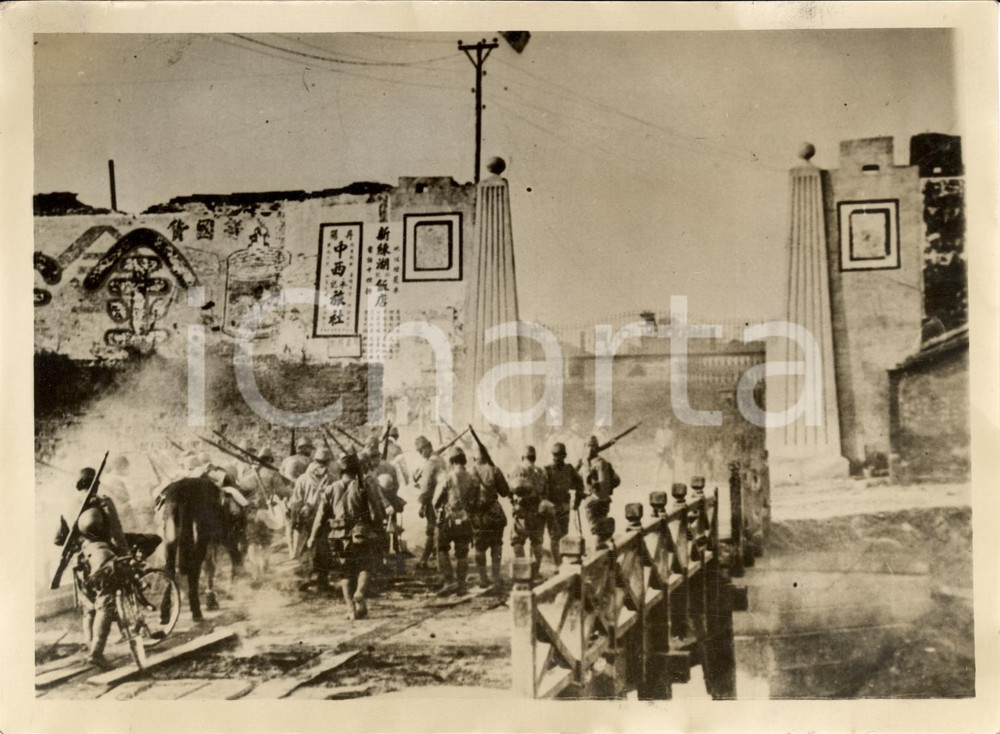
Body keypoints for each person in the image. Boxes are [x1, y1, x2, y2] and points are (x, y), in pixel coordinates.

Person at [310, 452, 385, 619]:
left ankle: (350, 609)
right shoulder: (363, 486)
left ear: (340, 471)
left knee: (344, 572)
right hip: (361, 533)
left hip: (338, 536)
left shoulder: (330, 489)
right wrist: (379, 528)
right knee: (365, 566)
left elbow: (320, 517)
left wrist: (312, 537)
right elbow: (376, 513)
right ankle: (359, 592)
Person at [432, 446, 478, 595]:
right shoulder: (472, 478)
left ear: (451, 461)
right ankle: (462, 585)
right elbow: (475, 502)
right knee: (462, 553)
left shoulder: (447, 477)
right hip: (465, 520)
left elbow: (436, 501)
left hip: (449, 519)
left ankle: (449, 581)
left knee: (442, 548)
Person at [289, 447, 336, 591]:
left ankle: (308, 577)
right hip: (324, 519)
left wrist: (294, 519)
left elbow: (296, 501)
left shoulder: (303, 478)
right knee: (323, 548)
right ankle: (322, 579)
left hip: (307, 518)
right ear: (328, 462)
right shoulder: (333, 478)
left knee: (306, 549)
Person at [469, 444, 510, 593]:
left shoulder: (469, 472)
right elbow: (505, 492)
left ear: (474, 457)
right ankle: (496, 577)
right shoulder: (495, 470)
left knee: (479, 546)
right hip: (494, 512)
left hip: (478, 514)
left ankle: (482, 578)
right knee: (496, 544)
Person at [543, 443, 583, 566]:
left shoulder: (569, 469)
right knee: (555, 536)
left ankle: (560, 563)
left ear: (564, 456)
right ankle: (558, 565)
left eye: (559, 455)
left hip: (564, 507)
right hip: (552, 508)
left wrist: (577, 502)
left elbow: (579, 485)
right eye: (554, 455)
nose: (556, 458)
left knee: (563, 535)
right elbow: (542, 489)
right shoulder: (547, 470)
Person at [577, 436, 621, 536]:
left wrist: (590, 500)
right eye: (587, 446)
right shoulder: (584, 463)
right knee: (598, 532)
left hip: (598, 503)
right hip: (593, 502)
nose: (589, 449)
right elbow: (577, 481)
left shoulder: (600, 463)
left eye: (591, 446)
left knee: (597, 532)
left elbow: (603, 487)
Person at [413, 435, 445, 571]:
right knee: (434, 531)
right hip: (441, 500)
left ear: (428, 447)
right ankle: (425, 560)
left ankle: (438, 564)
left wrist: (421, 504)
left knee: (434, 531)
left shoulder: (431, 463)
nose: (420, 454)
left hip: (434, 501)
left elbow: (426, 486)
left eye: (421, 450)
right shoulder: (439, 460)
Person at [509, 475, 547, 582]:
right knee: (537, 541)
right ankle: (535, 572)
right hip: (537, 512)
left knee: (517, 540)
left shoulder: (517, 471)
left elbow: (509, 492)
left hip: (522, 513)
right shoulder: (541, 472)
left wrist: (513, 504)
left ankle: (523, 572)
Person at [653, 418, 675, 485]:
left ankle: (671, 483)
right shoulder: (659, 432)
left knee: (671, 467)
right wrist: (657, 450)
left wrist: (673, 454)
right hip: (661, 452)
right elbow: (655, 443)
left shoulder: (671, 433)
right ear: (664, 423)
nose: (667, 424)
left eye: (669, 423)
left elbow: (672, 444)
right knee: (657, 467)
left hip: (668, 451)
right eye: (666, 422)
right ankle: (655, 483)